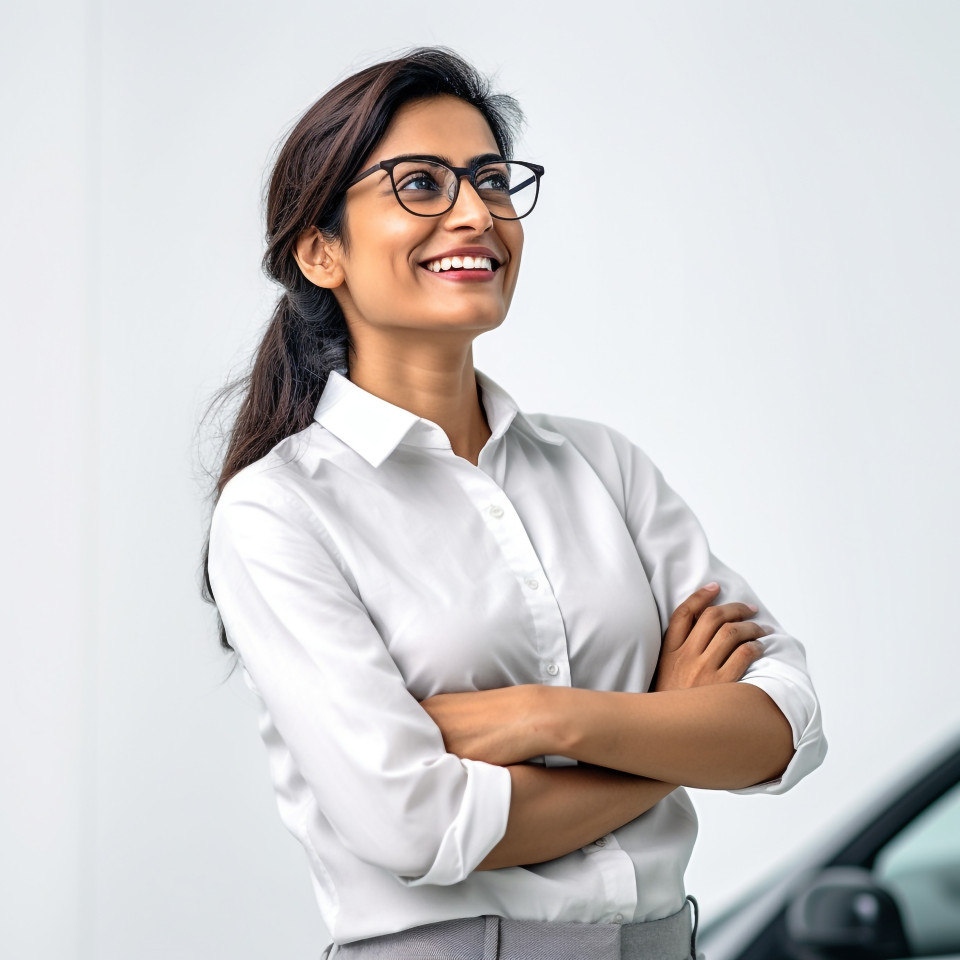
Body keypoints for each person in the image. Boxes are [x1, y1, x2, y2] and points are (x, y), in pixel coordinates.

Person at [202, 46, 827, 960]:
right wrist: (669, 727)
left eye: (492, 180)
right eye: (420, 183)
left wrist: (548, 718)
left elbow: (786, 724)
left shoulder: (600, 466)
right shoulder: (277, 514)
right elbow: (418, 825)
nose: (474, 213)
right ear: (320, 250)